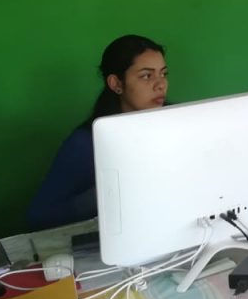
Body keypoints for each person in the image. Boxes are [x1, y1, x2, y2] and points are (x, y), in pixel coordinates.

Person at [27, 35, 168, 230]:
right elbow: (38, 216)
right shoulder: (86, 143)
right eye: (146, 76)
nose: (161, 84)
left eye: (163, 74)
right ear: (116, 84)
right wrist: (100, 197)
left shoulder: (178, 124)